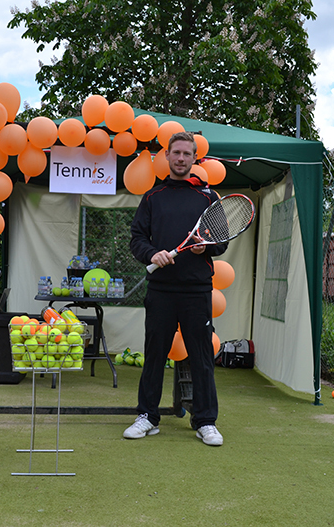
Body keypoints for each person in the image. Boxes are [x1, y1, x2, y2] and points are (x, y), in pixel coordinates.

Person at [126, 131, 226, 446]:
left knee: (201, 357)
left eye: (187, 153)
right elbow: (136, 239)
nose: (181, 158)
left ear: (194, 158)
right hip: (161, 291)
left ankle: (205, 421)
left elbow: (221, 242)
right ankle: (147, 417)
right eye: (176, 153)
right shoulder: (152, 198)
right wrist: (150, 253)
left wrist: (203, 248)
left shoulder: (208, 197)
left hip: (197, 290)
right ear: (167, 157)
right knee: (155, 354)